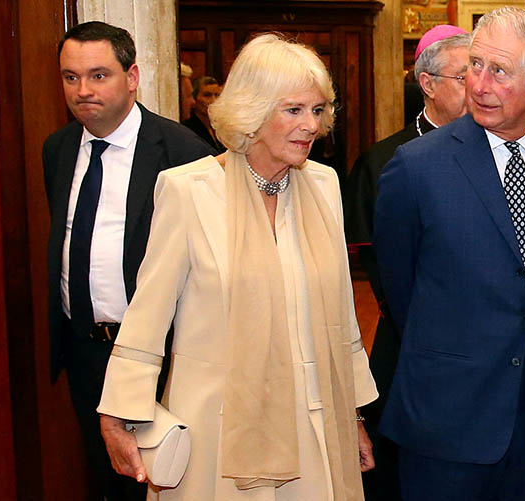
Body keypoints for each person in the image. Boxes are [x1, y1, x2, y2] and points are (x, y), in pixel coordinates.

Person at [97, 33, 379, 501]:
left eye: (317, 110)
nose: (311, 125)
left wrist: (352, 417)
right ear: (252, 111)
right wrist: (118, 414)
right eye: (294, 110)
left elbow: (341, 318)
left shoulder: (324, 185)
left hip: (312, 424)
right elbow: (148, 316)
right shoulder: (189, 190)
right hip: (218, 431)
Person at [373, 7, 525, 500]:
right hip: (445, 421)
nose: (479, 84)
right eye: (475, 65)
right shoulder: (415, 167)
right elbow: (399, 290)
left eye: (499, 71)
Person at [43, 21, 213, 501]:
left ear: (132, 77)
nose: (83, 90)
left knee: (165, 482)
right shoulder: (58, 149)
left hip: (159, 357)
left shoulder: (184, 153)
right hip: (85, 352)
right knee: (106, 481)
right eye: (71, 77)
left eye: (98, 75)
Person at [342, 24, 469, 500]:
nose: (479, 86)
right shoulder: (385, 160)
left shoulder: (499, 150)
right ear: (428, 83)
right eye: (465, 75)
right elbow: (384, 275)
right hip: (411, 345)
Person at [183, 75, 225, 153]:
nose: (213, 100)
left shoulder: (220, 126)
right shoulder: (189, 128)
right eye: (207, 95)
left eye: (217, 95)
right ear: (195, 98)